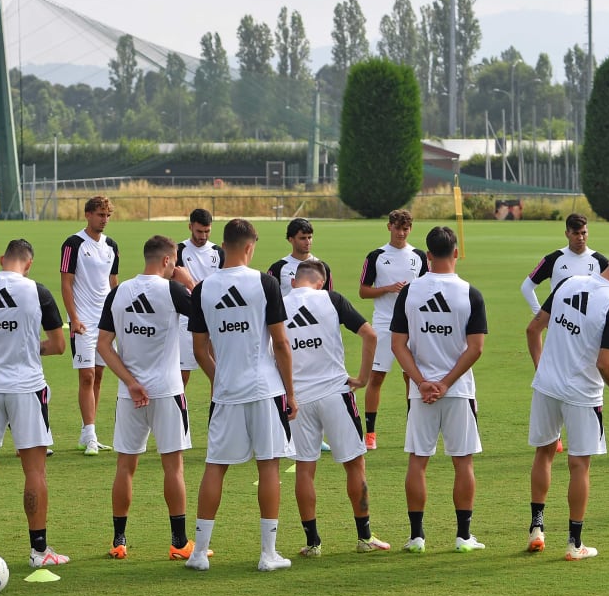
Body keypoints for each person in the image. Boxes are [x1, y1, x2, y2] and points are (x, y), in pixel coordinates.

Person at [185, 218, 297, 572]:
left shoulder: (203, 288)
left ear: (224, 244)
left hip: (227, 392)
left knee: (215, 467)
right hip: (266, 389)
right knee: (269, 466)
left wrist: (221, 381)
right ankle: (268, 554)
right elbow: (280, 343)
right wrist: (291, 393)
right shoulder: (265, 283)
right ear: (250, 246)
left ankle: (199, 553)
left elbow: (199, 348)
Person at [525, 248, 609, 560]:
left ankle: (536, 528)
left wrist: (543, 369)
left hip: (546, 386)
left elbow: (532, 329)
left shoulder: (567, 283)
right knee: (579, 465)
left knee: (544, 453)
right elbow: (606, 364)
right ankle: (574, 543)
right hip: (582, 394)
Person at [0, 239, 69, 567]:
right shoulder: (37, 291)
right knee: (34, 470)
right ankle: (39, 552)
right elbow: (59, 345)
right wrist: (26, 348)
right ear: (29, 263)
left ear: (3, 259)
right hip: (27, 389)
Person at [96, 236, 198, 561]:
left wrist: (130, 382)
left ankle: (118, 540)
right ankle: (179, 543)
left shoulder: (119, 291)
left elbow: (102, 346)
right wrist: (189, 283)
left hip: (130, 395)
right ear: (169, 261)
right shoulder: (173, 291)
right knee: (174, 468)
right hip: (168, 391)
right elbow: (206, 315)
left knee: (125, 467)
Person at [392, 226, 486, 554]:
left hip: (422, 392)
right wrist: (446, 383)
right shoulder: (470, 293)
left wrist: (421, 382)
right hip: (457, 391)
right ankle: (463, 537)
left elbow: (398, 344)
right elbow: (475, 348)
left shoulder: (410, 292)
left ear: (427, 256)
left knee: (418, 462)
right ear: (456, 253)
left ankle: (416, 537)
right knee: (463, 462)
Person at [285, 260, 389, 557]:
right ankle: (365, 537)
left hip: (298, 399)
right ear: (322, 283)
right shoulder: (332, 299)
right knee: (355, 465)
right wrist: (364, 379)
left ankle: (313, 543)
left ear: (295, 281)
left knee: (305, 469)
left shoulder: (278, 305)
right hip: (335, 394)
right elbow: (370, 335)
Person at [358, 209, 428, 451]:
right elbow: (363, 291)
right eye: (397, 228)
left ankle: (414, 429)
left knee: (413, 377)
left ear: (411, 229)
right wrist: (387, 288)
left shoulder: (419, 256)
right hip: (384, 324)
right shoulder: (376, 256)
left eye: (406, 228)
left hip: (412, 325)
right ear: (389, 227)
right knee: (376, 377)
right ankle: (371, 433)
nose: (401, 232)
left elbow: (428, 288)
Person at [60, 196, 119, 455]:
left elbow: (113, 282)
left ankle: (88, 433)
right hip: (83, 321)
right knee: (87, 376)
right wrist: (73, 317)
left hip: (105, 323)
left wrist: (119, 314)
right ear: (87, 215)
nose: (104, 220)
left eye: (107, 215)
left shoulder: (112, 246)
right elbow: (66, 283)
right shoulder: (73, 244)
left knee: (99, 375)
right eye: (100, 215)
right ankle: (91, 433)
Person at [520, 213, 609, 314]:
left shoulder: (600, 261)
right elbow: (526, 286)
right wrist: (540, 315)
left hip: (588, 326)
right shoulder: (553, 259)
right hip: (559, 324)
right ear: (567, 234)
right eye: (576, 233)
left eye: (583, 233)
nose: (580, 238)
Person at [176, 208, 223, 388]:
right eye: (199, 231)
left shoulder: (218, 253)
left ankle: (216, 416)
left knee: (218, 375)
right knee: (182, 376)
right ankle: (179, 416)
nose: (203, 236)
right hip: (187, 319)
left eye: (207, 231)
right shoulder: (179, 251)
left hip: (214, 318)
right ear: (190, 227)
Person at [267, 217, 332, 297]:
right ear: (291, 239)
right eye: (303, 238)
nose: (308, 242)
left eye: (310, 237)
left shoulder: (323, 268)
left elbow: (329, 299)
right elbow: (269, 300)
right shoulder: (277, 268)